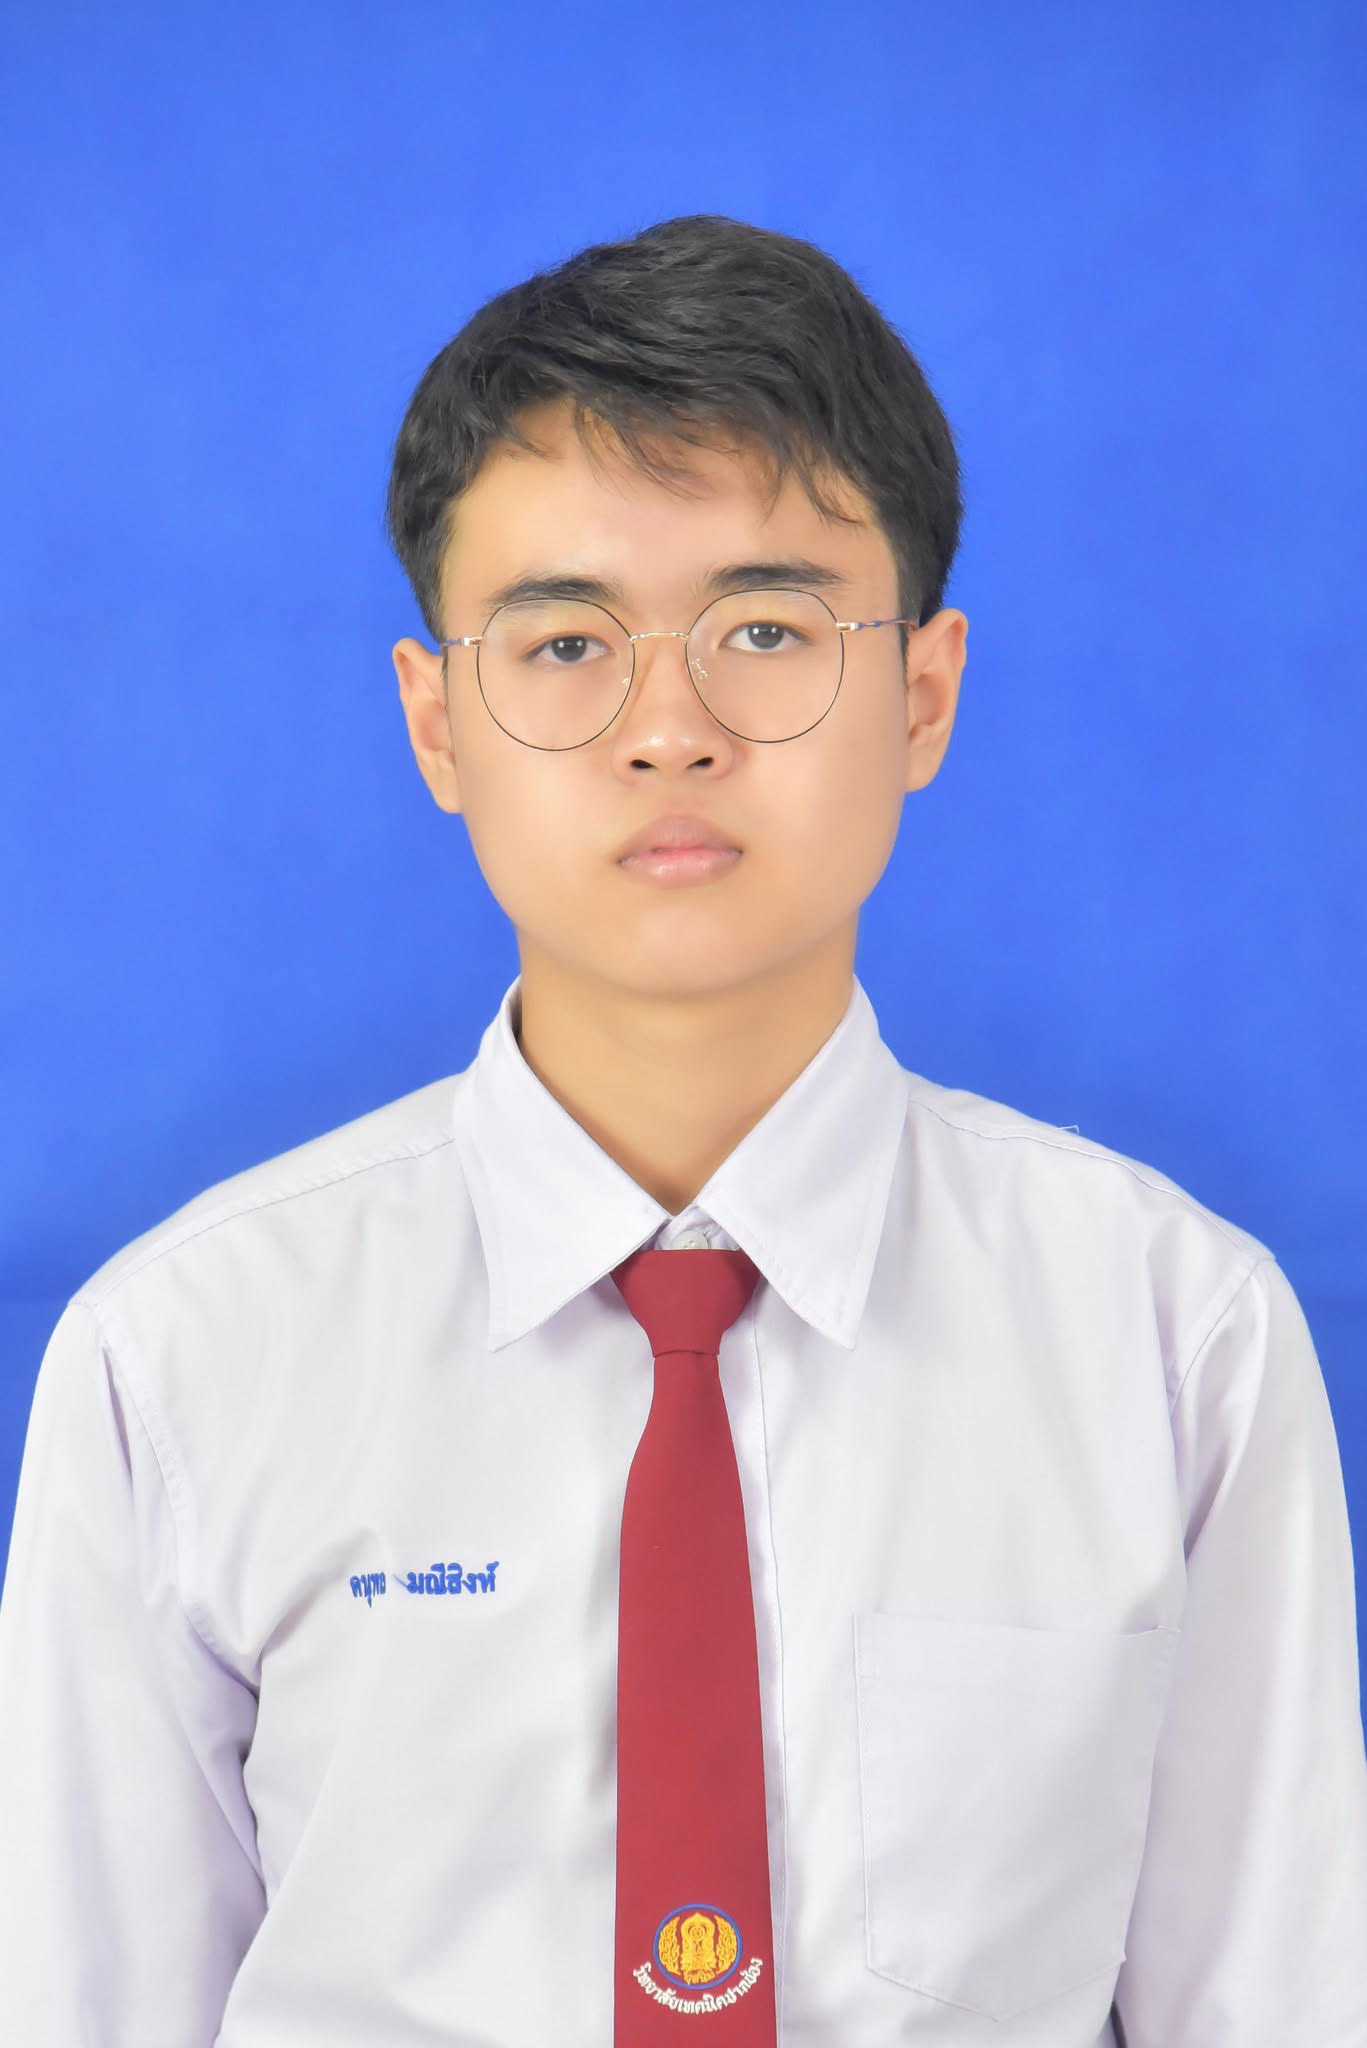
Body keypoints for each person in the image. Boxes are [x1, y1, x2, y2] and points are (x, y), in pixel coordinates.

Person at [1, 212, 1363, 2047]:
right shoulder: (179, 1362)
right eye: (566, 641)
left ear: (925, 695)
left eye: (769, 629)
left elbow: (1278, 2003)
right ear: (437, 723)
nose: (670, 731)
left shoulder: (1174, 1340)